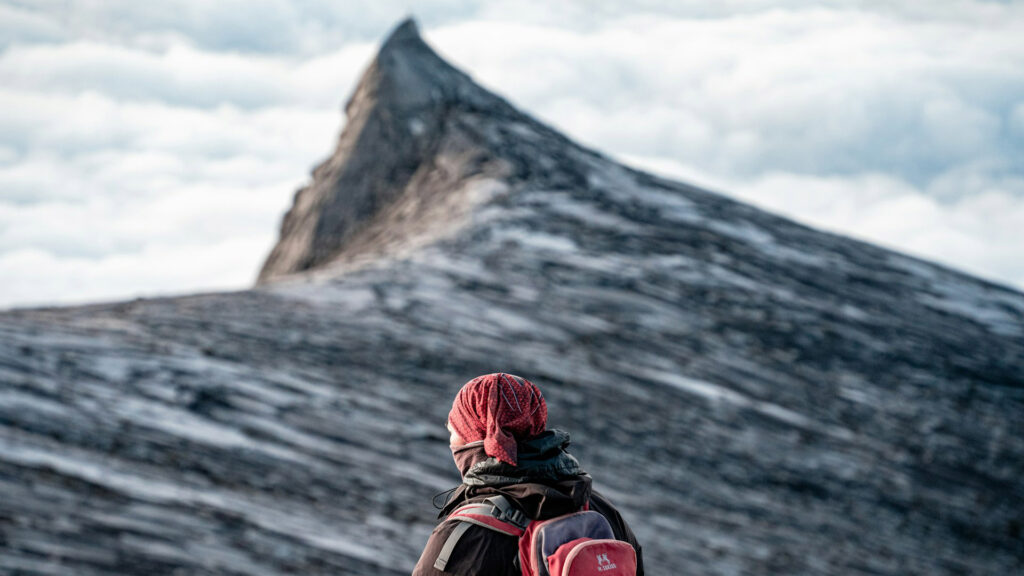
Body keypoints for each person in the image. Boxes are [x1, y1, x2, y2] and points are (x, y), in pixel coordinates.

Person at [412, 372, 644, 575]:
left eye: (454, 430)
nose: (451, 441)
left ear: (473, 439)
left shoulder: (463, 536)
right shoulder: (601, 511)